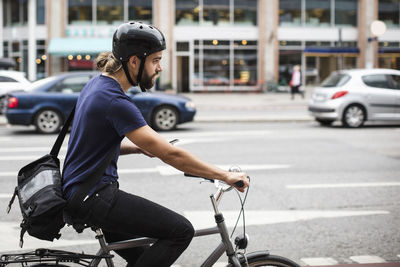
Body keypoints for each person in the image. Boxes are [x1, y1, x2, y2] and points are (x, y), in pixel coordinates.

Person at [62, 21, 249, 267]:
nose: (160, 68)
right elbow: (170, 154)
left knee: (144, 258)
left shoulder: (97, 85)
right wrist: (224, 175)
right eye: (155, 60)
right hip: (95, 197)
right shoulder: (115, 101)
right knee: (180, 231)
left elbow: (94, 142)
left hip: (82, 193)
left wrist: (138, 147)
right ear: (134, 62)